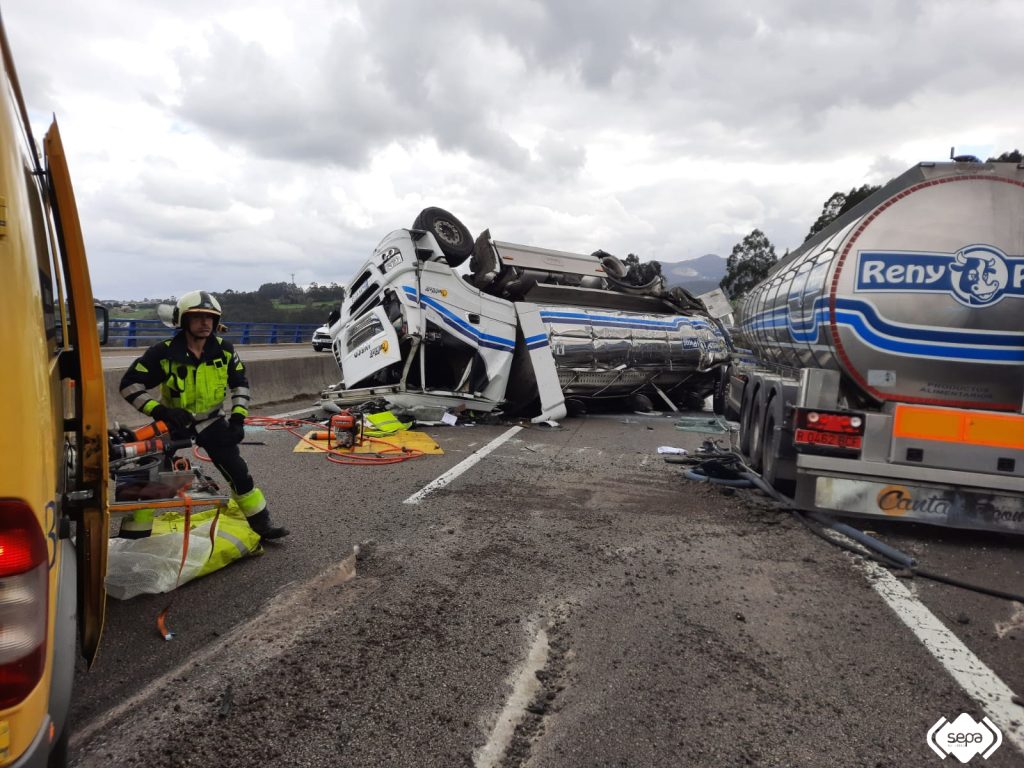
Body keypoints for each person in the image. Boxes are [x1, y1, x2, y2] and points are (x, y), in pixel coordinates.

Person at [118, 290, 289, 539]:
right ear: (183, 321)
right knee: (150, 476)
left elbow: (240, 384)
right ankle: (134, 535)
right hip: (173, 421)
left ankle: (261, 525)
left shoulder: (225, 350)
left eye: (210, 317)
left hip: (212, 421)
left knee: (238, 471)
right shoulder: (162, 352)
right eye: (197, 317)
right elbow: (129, 384)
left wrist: (238, 418)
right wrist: (161, 411)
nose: (205, 322)